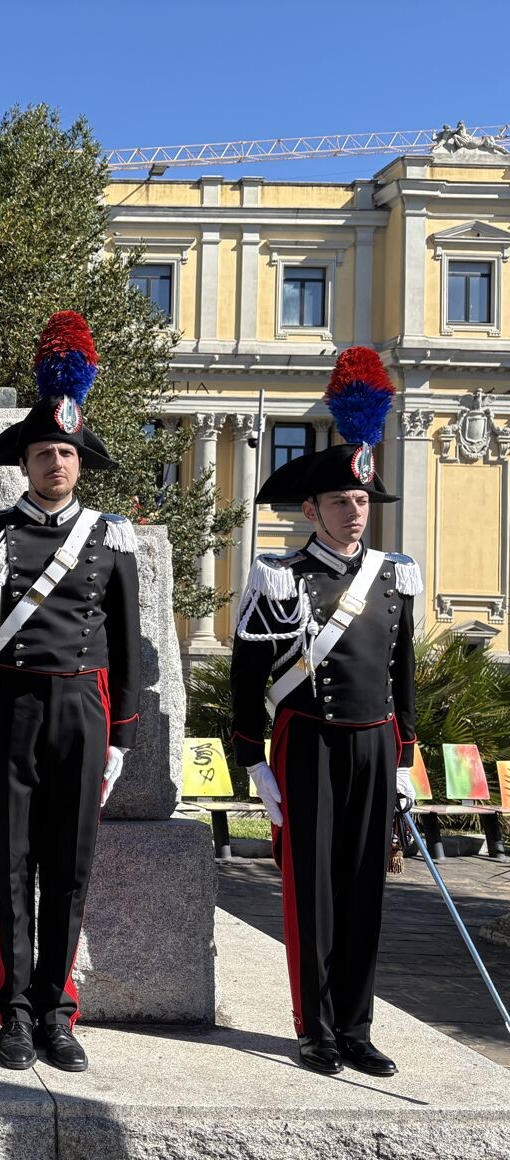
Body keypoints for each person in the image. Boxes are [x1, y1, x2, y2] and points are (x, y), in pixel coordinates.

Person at [0, 312, 142, 1072]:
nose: (55, 463)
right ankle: (13, 1011)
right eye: (42, 453)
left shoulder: (111, 538)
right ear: (23, 464)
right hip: (11, 711)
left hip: (84, 715)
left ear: (80, 462)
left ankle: (59, 1011)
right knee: (10, 865)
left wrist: (122, 735)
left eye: (65, 452)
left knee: (70, 867)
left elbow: (127, 643)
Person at [230, 347, 419, 1078]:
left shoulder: (393, 579)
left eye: (363, 502)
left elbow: (403, 678)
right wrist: (254, 760)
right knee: (313, 892)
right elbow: (249, 678)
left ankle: (357, 1024)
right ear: (311, 509)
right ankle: (314, 1028)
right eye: (341, 502)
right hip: (306, 744)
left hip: (373, 746)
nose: (354, 513)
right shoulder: (280, 578)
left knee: (366, 889)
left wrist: (404, 761)